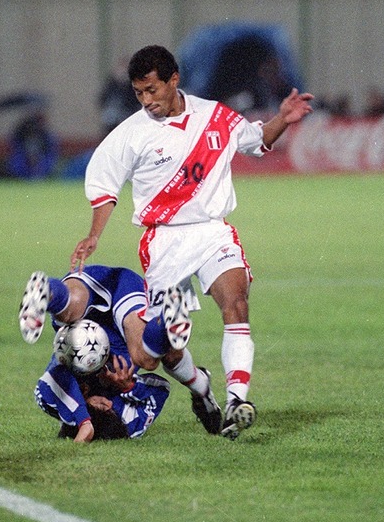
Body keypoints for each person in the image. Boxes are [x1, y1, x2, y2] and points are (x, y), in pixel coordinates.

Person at [69, 45, 313, 440]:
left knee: (236, 303)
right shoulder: (130, 135)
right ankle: (201, 388)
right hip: (164, 242)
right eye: (138, 93)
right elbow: (103, 187)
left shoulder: (214, 116)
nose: (146, 101)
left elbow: (256, 140)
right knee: (151, 356)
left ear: (173, 80)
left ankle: (237, 401)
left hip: (212, 231)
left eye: (152, 90)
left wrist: (283, 117)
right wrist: (94, 234)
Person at [21, 265, 221, 441]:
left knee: (70, 313)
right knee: (147, 359)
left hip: (86, 318)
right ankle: (165, 319)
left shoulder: (66, 402)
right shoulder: (130, 424)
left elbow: (46, 386)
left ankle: (47, 292)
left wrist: (83, 420)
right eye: (109, 409)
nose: (106, 404)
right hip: (122, 298)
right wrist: (128, 387)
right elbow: (161, 390)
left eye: (98, 407)